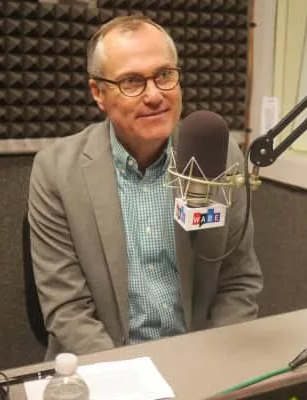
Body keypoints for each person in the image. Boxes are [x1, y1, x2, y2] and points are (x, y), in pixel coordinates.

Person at [28, 14, 263, 360]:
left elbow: (238, 283)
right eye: (132, 81)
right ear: (98, 93)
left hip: (201, 361)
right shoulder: (56, 171)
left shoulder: (218, 155)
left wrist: (210, 364)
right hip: (102, 366)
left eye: (164, 75)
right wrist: (128, 378)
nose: (155, 95)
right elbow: (67, 308)